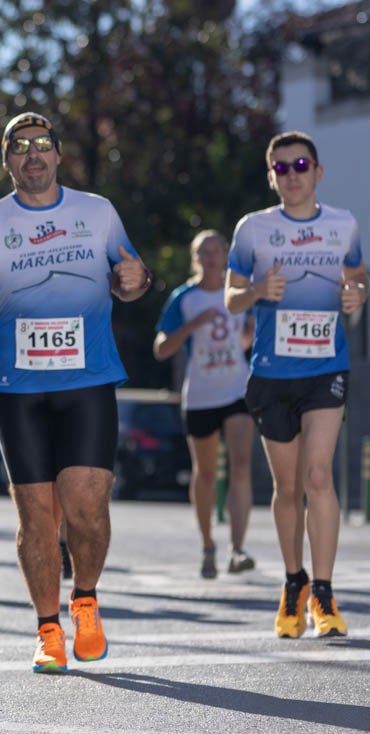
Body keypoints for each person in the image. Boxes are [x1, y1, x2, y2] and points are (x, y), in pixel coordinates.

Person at [0, 112, 152, 672]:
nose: (33, 155)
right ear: (8, 161)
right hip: (20, 391)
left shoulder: (96, 212)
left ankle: (85, 601)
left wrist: (136, 281)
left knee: (88, 510)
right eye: (20, 147)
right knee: (37, 517)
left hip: (89, 382)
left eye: (42, 144)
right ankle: (48, 630)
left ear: (58, 154)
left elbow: (131, 274)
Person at [224, 130, 367, 639]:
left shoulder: (342, 224)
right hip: (271, 373)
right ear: (271, 177)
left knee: (319, 476)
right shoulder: (254, 230)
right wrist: (259, 289)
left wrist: (356, 296)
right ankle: (293, 582)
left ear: (318, 172)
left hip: (326, 367)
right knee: (287, 488)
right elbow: (232, 298)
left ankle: (324, 594)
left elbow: (357, 277)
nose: (292, 174)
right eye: (280, 168)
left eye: (300, 164)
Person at [154, 230, 257, 579]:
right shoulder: (184, 298)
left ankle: (238, 547)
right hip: (200, 394)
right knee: (207, 473)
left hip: (237, 390)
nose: (211, 257)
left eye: (217, 251)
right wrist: (190, 326)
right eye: (204, 252)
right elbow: (161, 348)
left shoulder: (239, 295)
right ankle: (208, 544)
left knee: (241, 464)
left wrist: (251, 334)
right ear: (195, 258)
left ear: (226, 255)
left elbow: (245, 341)